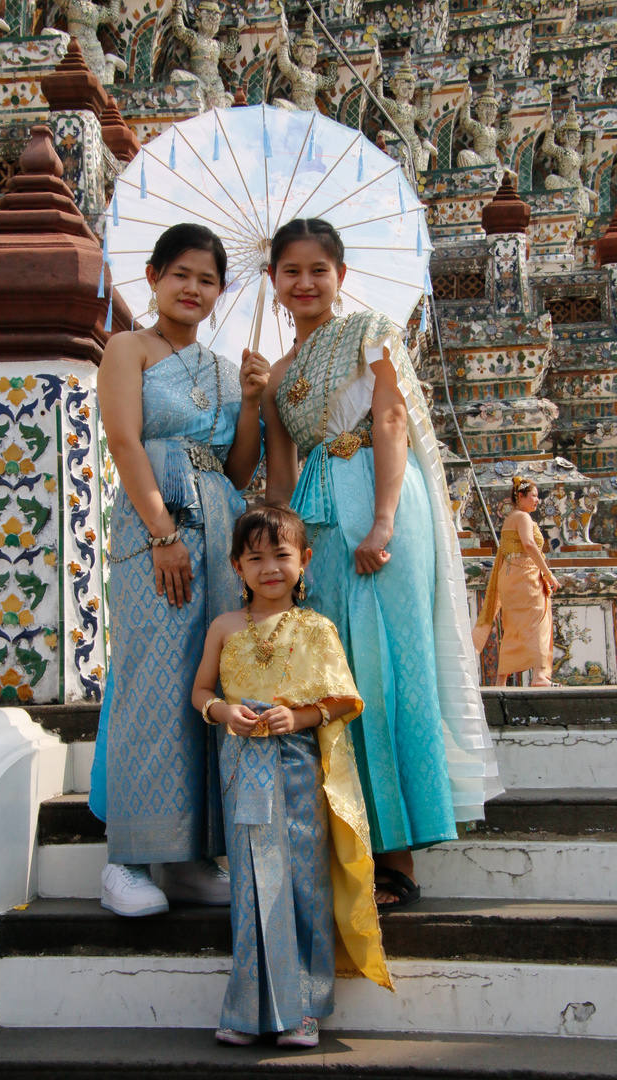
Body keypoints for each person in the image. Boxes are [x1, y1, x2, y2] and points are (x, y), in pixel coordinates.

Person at [261, 217, 501, 910]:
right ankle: (347, 845)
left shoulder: (370, 330)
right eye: (291, 271)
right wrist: (277, 552)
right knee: (335, 671)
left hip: (381, 497)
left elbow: (390, 420)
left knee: (389, 665)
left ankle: (400, 854)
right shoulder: (276, 374)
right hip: (318, 515)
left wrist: (387, 518)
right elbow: (280, 474)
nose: (305, 283)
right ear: (273, 281)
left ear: (339, 276)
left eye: (318, 270)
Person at [90, 222, 269, 916]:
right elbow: (124, 439)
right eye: (181, 275)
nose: (193, 289)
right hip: (153, 525)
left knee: (209, 679)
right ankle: (128, 860)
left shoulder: (226, 370)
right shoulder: (127, 348)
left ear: (220, 291)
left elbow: (239, 469)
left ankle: (192, 856)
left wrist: (252, 402)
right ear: (155, 277)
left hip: (219, 523)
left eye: (207, 279)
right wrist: (162, 531)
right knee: (152, 678)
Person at [192, 503, 392, 1048]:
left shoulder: (317, 629)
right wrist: (223, 713)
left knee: (303, 885)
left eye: (281, 555)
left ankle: (304, 1007)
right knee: (253, 887)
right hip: (242, 770)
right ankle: (246, 1010)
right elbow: (201, 692)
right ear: (237, 566)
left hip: (300, 771)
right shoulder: (224, 627)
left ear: (304, 560)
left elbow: (344, 701)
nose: (269, 568)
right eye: (254, 557)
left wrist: (300, 716)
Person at [472, 476, 560, 686]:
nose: (537, 500)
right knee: (540, 621)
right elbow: (529, 545)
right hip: (525, 577)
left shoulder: (512, 517)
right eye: (534, 496)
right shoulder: (523, 517)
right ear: (520, 496)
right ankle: (539, 675)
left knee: (512, 629)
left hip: (510, 578)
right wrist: (548, 573)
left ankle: (501, 680)